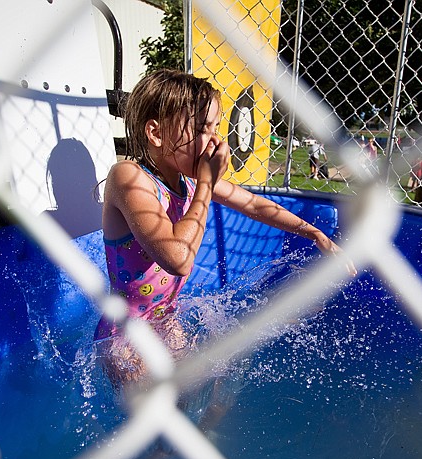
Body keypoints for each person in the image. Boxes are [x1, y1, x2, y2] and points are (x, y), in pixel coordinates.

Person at [95, 69, 353, 387]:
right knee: (159, 410)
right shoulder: (129, 177)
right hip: (126, 333)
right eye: (203, 128)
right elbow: (178, 258)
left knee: (210, 384)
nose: (217, 141)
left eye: (217, 127)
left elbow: (254, 205)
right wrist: (206, 182)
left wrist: (314, 233)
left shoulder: (188, 182)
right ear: (156, 133)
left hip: (165, 318)